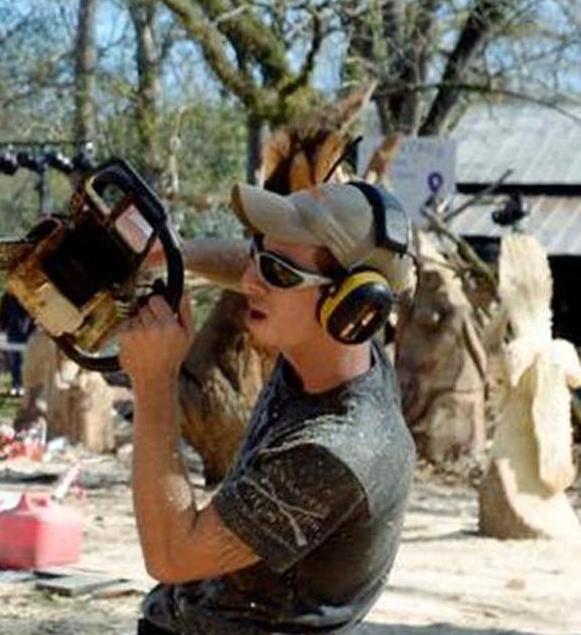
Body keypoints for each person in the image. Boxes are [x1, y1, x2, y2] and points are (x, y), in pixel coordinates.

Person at [119, 182, 416, 635]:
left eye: (275, 271)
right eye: (260, 253)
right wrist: (168, 252)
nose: (249, 282)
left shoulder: (339, 448)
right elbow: (263, 267)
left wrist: (155, 382)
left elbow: (171, 556)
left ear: (351, 304)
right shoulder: (336, 348)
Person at [0, 291, 33, 396]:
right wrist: (3, 326)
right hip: (13, 331)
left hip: (29, 332)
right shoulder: (8, 295)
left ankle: (28, 385)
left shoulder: (29, 294)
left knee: (29, 360)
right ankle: (16, 385)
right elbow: (3, 311)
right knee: (15, 361)